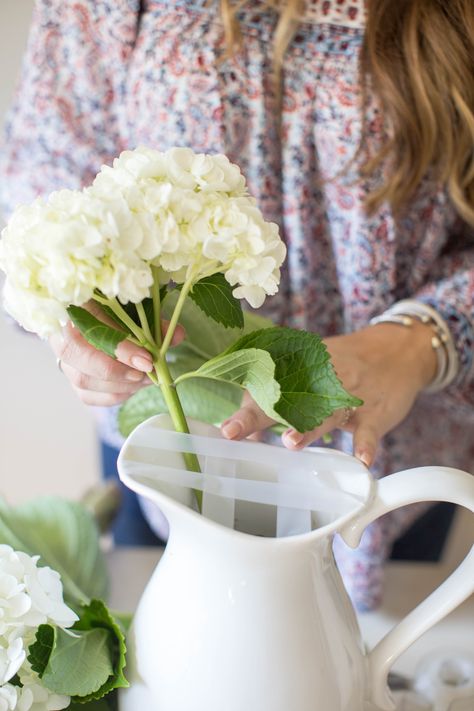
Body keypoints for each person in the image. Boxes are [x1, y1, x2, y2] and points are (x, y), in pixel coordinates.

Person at [1, 0, 473, 611]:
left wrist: (415, 343)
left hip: (392, 452)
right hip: (173, 449)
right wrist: (72, 312)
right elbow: (39, 187)